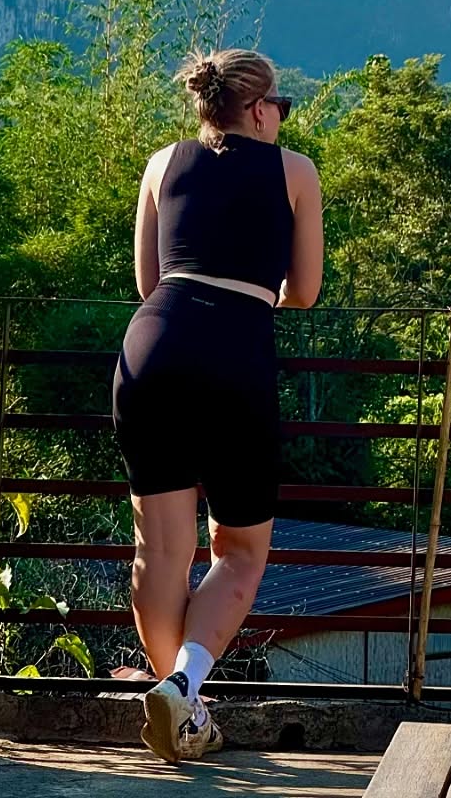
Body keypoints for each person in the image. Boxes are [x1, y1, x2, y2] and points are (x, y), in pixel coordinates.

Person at [112, 48, 324, 762]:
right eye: (280, 109)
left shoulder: (159, 164)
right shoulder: (295, 171)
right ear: (261, 109)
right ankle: (184, 688)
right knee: (238, 551)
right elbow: (306, 289)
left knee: (161, 551)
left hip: (154, 345)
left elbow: (149, 280)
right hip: (236, 350)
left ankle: (180, 709)